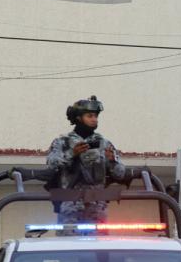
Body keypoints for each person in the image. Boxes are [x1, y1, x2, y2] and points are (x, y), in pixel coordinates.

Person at [45, 95, 128, 229]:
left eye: (96, 116)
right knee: (68, 248)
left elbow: (121, 173)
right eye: (90, 116)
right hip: (70, 208)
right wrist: (72, 154)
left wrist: (112, 161)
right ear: (78, 118)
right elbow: (51, 164)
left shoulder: (104, 143)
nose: (94, 120)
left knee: (98, 248)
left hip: (97, 208)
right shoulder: (63, 142)